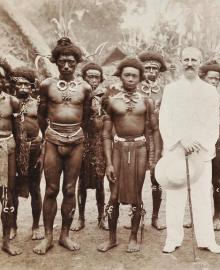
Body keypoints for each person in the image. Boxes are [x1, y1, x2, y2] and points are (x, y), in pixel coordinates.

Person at [159, 46, 220, 254]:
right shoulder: (171, 90)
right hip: (177, 149)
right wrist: (180, 140)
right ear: (180, 61)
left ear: (200, 62)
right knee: (175, 194)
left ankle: (206, 240)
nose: (189, 63)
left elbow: (213, 122)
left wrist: (199, 143)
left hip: (201, 151)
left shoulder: (209, 91)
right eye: (186, 59)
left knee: (202, 196)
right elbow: (165, 119)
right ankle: (173, 238)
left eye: (193, 60)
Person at [33, 37, 92, 255]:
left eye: (71, 62)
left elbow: (85, 118)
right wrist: (52, 134)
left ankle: (65, 235)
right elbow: (41, 116)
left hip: (76, 141)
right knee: (50, 189)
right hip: (52, 139)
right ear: (55, 62)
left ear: (77, 63)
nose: (66, 66)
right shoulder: (47, 85)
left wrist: (74, 134)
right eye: (62, 61)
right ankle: (48, 237)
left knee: (69, 189)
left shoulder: (85, 88)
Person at [97, 57, 161, 253]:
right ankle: (112, 238)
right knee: (114, 195)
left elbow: (154, 129)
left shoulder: (147, 101)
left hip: (140, 149)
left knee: (136, 194)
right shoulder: (111, 102)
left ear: (140, 78)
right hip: (118, 149)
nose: (131, 79)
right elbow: (107, 135)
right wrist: (108, 163)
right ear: (120, 76)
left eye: (135, 75)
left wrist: (155, 156)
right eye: (127, 75)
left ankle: (133, 236)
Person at [71, 62, 108, 231]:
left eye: (96, 77)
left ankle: (102, 217)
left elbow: (109, 118)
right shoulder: (78, 94)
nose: (93, 80)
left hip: (99, 141)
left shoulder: (105, 96)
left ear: (101, 79)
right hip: (82, 139)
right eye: (90, 76)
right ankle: (81, 218)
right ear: (84, 78)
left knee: (100, 180)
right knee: (81, 181)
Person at [11, 67, 44, 241]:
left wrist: (42, 154)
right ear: (14, 85)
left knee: (35, 189)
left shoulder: (37, 104)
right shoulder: (9, 102)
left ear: (32, 87)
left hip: (34, 148)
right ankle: (13, 226)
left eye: (26, 84)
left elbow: (46, 128)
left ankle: (36, 226)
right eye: (19, 84)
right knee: (12, 190)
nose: (23, 87)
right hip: (14, 150)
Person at [138, 51, 167, 230]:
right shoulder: (135, 89)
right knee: (137, 178)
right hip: (139, 138)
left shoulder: (165, 91)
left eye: (154, 68)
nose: (150, 71)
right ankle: (138, 215)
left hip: (158, 139)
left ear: (159, 71)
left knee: (157, 179)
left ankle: (155, 217)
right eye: (147, 68)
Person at [198, 60, 220, 231]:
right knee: (197, 180)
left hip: (217, 144)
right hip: (199, 144)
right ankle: (198, 215)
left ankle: (217, 215)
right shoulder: (195, 97)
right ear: (203, 78)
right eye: (210, 78)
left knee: (216, 180)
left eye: (217, 78)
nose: (214, 81)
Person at [0, 57, 23, 255]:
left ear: (4, 80)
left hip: (8, 148)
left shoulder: (12, 102)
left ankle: (6, 240)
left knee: (7, 197)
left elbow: (19, 133)